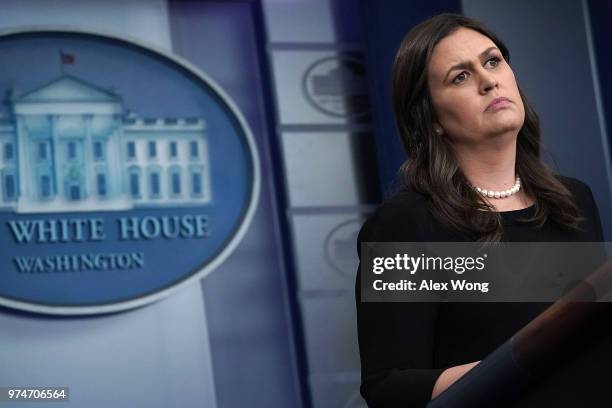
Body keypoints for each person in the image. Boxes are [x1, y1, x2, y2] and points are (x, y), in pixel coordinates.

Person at [355, 13, 606, 407]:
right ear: (432, 119)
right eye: (460, 76)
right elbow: (389, 388)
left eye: (492, 61)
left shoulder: (574, 201)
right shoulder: (405, 225)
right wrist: (529, 359)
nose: (489, 80)